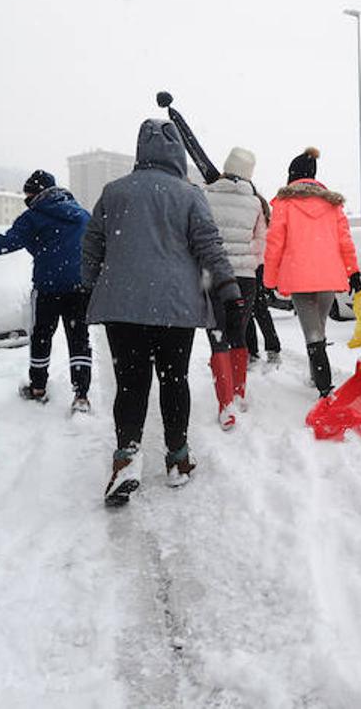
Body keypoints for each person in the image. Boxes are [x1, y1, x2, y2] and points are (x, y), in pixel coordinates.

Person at [82, 119, 243, 506]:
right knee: (174, 380)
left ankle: (127, 457)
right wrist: (228, 287)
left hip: (123, 307)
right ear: (177, 153)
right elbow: (209, 244)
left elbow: (91, 245)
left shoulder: (114, 192)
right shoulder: (188, 194)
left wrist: (91, 284)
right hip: (175, 306)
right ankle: (177, 459)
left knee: (131, 383)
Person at [0, 170, 93, 413]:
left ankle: (38, 388)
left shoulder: (33, 217)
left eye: (27, 195)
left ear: (35, 194)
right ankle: (81, 396)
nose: (26, 200)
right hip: (79, 288)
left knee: (41, 336)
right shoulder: (82, 215)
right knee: (79, 340)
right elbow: (97, 247)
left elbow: (2, 244)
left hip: (48, 289)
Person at [263, 147, 360, 399]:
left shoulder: (284, 204)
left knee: (312, 333)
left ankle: (325, 388)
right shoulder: (332, 205)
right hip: (328, 277)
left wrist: (269, 280)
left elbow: (274, 244)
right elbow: (345, 242)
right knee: (319, 327)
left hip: (299, 277)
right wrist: (353, 272)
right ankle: (316, 377)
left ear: (292, 175)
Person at [203, 146, 270, 429]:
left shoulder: (205, 196)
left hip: (213, 276)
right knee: (238, 333)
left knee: (218, 334)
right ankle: (239, 392)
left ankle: (225, 405)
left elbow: (199, 236)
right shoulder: (255, 203)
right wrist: (247, 259)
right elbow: (261, 242)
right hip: (245, 278)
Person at [245, 264, 283, 365]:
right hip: (251, 268)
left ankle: (254, 351)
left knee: (255, 309)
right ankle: (254, 350)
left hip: (253, 267)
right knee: (252, 310)